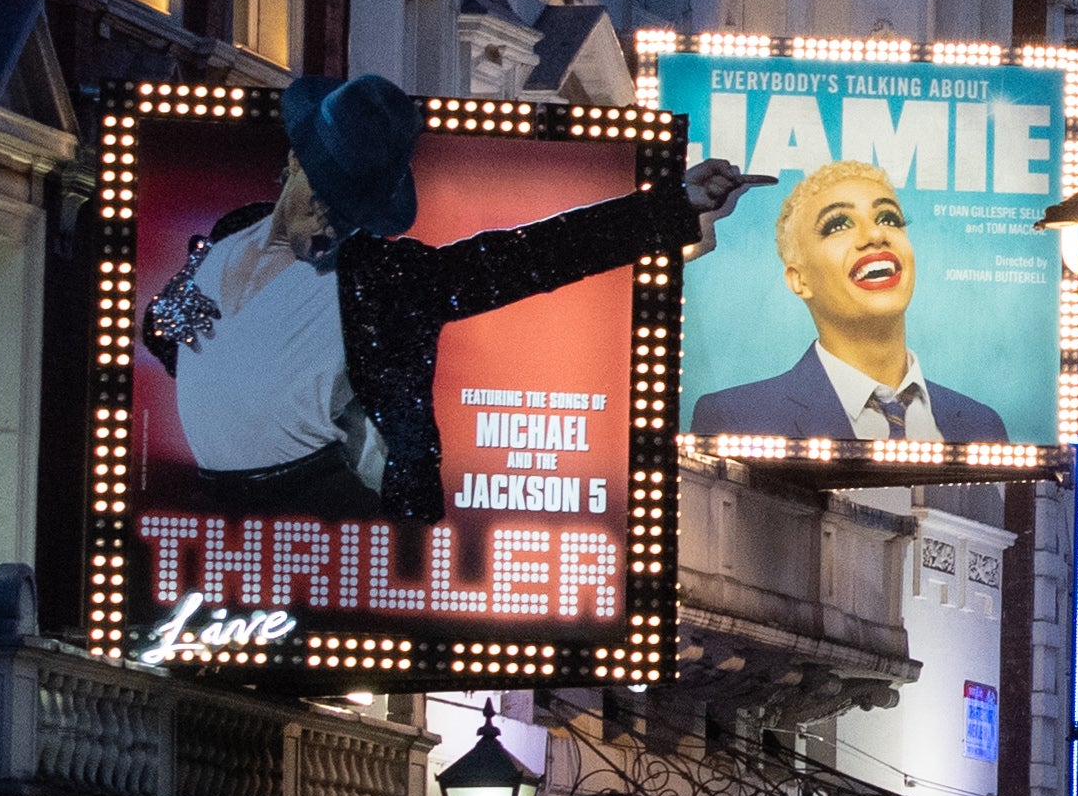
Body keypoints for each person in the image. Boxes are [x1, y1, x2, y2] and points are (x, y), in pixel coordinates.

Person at [143, 73, 747, 520]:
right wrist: (166, 319)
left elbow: (529, 257)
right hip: (208, 508)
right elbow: (175, 336)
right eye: (324, 195)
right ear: (295, 161)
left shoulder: (384, 279)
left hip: (313, 505)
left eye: (351, 209)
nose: (330, 219)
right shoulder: (227, 234)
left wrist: (673, 205)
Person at [690, 158, 1016, 446]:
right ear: (798, 279)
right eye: (838, 225)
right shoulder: (734, 416)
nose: (875, 235)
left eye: (888, 218)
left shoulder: (981, 424)